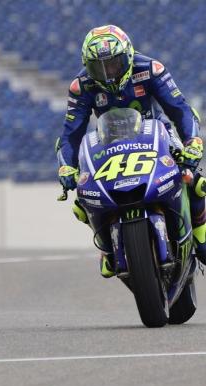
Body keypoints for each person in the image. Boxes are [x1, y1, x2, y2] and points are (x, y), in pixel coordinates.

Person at [56, 25, 206, 277]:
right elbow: (71, 133)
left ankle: (201, 237)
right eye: (98, 67)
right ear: (86, 65)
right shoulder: (80, 86)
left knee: (194, 179)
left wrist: (192, 141)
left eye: (113, 64)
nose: (107, 74)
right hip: (110, 143)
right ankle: (106, 247)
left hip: (157, 134)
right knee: (84, 197)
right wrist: (66, 166)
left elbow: (180, 108)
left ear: (127, 55)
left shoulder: (150, 69)